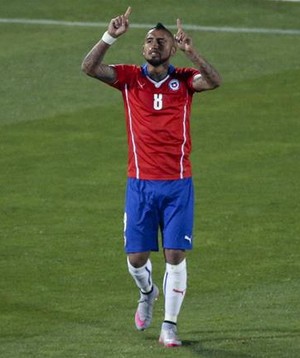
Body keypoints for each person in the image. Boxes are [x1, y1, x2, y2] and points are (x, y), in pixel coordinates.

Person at [81, 6, 221, 348]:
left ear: (172, 48)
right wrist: (110, 36)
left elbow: (214, 80)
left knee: (175, 255)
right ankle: (148, 292)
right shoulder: (129, 78)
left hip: (177, 184)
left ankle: (169, 326)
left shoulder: (186, 80)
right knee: (136, 260)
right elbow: (89, 67)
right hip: (140, 184)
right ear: (142, 48)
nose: (154, 44)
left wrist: (193, 52)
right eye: (149, 40)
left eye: (161, 41)